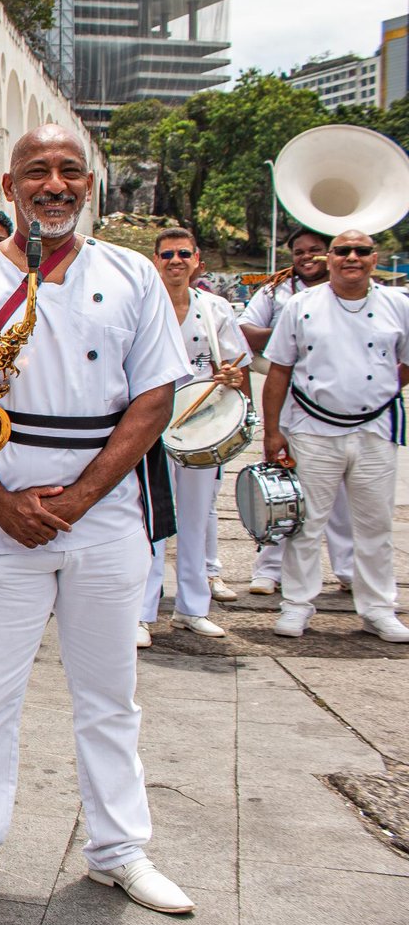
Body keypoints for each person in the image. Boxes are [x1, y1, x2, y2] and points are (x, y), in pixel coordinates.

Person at [0, 125, 196, 923]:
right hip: (0, 515)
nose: (55, 184)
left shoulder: (132, 275)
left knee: (109, 694)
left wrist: (83, 496)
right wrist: (0, 501)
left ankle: (119, 850)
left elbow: (154, 398)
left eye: (71, 171)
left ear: (90, 185)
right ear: (11, 184)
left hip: (103, 517)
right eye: (39, 171)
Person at [262, 231, 409, 643]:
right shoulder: (301, 305)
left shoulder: (399, 305)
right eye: (343, 251)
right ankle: (296, 604)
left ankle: (379, 608)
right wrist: (272, 432)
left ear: (374, 258)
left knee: (375, 525)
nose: (352, 258)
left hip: (375, 431)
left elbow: (405, 363)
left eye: (361, 251)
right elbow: (279, 372)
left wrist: (374, 394)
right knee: (305, 525)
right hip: (312, 430)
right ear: (329, 258)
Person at [138, 230, 251, 648]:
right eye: (167, 254)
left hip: (201, 425)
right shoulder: (145, 305)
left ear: (197, 260)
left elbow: (238, 368)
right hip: (154, 422)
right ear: (156, 260)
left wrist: (232, 377)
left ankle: (192, 609)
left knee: (195, 518)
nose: (175, 261)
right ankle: (142, 611)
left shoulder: (215, 308)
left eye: (183, 254)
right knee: (151, 520)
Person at [238, 228, 354, 597]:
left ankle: (348, 569)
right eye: (299, 251)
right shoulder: (276, 291)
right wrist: (289, 331)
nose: (307, 257)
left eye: (316, 250)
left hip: (339, 407)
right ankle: (269, 569)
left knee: (341, 501)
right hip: (290, 405)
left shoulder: (350, 294)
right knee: (284, 489)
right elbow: (244, 329)